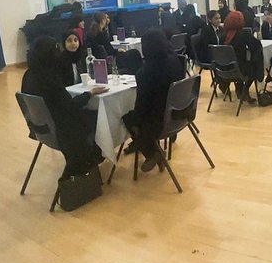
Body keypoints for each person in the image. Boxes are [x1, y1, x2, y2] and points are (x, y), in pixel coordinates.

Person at [20, 36, 105, 180]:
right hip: (61, 131)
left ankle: (93, 155)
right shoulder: (49, 78)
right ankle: (95, 155)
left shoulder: (28, 75)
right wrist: (89, 94)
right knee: (99, 116)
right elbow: (69, 106)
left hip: (41, 129)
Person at [123, 29, 186, 172]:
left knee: (128, 118)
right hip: (180, 114)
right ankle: (153, 151)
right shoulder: (175, 61)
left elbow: (141, 107)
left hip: (159, 122)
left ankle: (152, 152)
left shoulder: (145, 73)